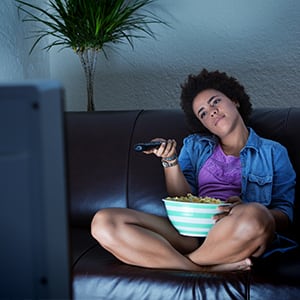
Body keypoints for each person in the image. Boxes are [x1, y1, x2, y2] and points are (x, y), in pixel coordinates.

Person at [91, 69, 297, 272]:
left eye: (215, 101)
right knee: (103, 221)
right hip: (189, 233)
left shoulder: (273, 152)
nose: (212, 111)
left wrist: (245, 208)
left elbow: (285, 215)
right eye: (203, 113)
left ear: (234, 100)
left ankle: (185, 263)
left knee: (256, 214)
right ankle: (205, 269)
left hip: (236, 231)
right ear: (203, 124)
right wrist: (169, 160)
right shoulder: (195, 146)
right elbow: (182, 198)